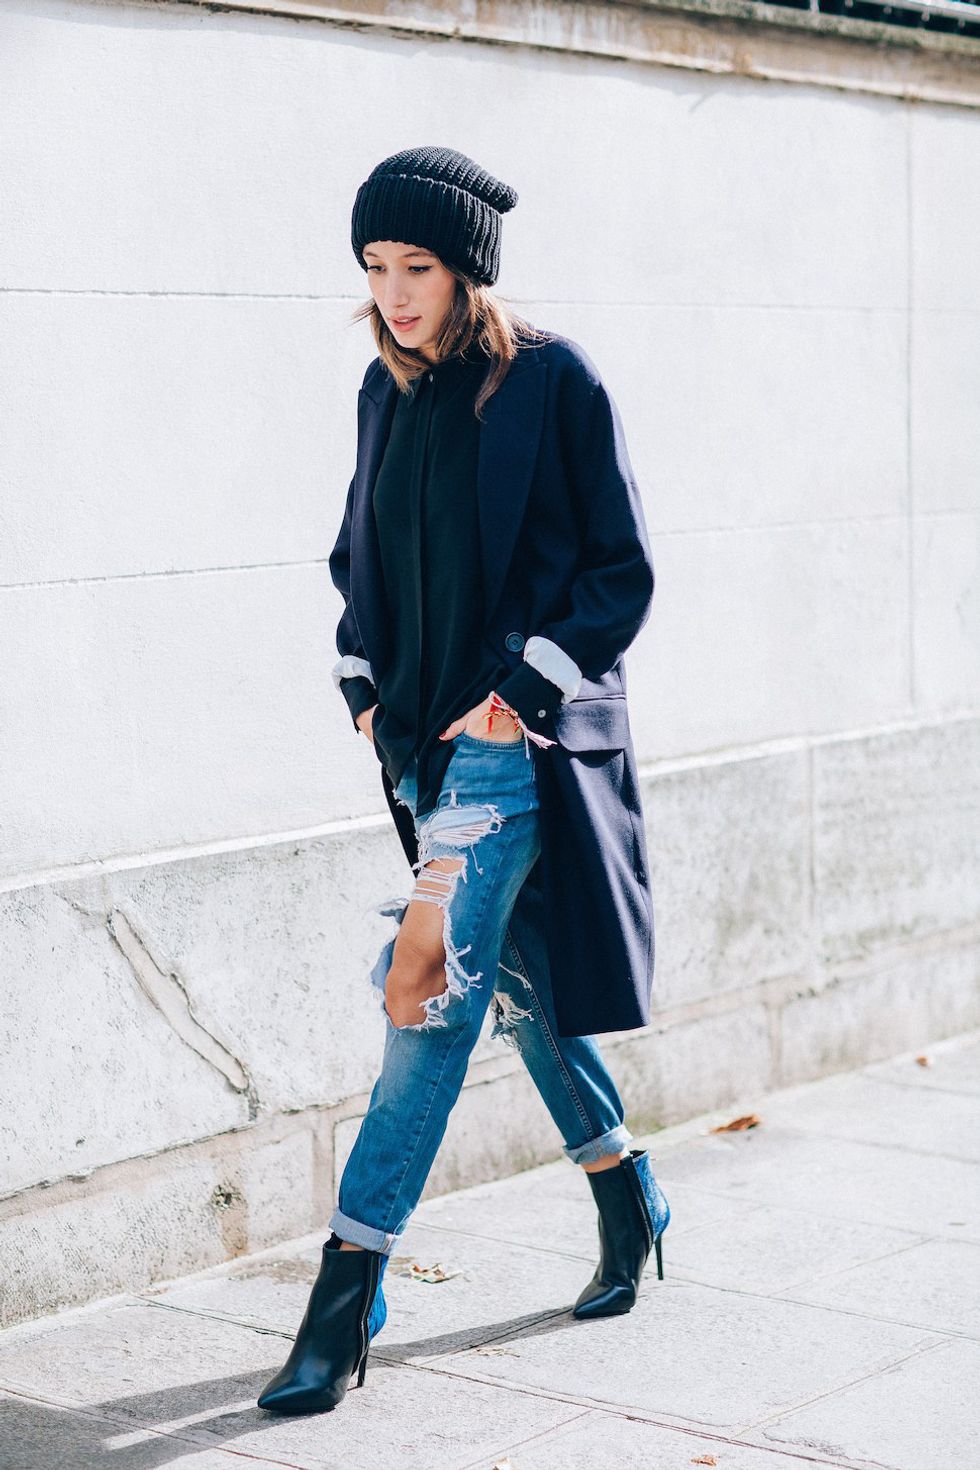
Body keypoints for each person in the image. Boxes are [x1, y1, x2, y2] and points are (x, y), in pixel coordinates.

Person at [257, 146, 670, 1417]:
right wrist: (361, 683)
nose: (392, 292)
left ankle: (345, 1293)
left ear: (467, 272)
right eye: (374, 267)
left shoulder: (552, 380)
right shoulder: (385, 391)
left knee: (424, 992)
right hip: (424, 751)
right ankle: (625, 1190)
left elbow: (619, 566)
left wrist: (522, 690)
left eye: (417, 267)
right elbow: (357, 553)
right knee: (520, 990)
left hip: (511, 746)